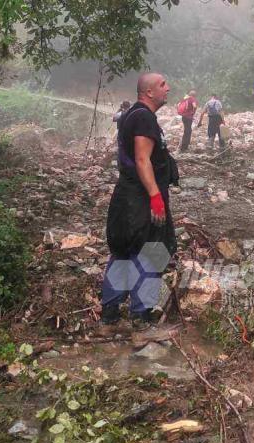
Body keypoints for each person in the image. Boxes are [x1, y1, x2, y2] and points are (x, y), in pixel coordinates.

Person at [100, 73, 178, 329]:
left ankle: (110, 314)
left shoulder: (133, 114)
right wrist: (156, 197)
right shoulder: (144, 117)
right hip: (142, 199)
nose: (168, 88)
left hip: (126, 197)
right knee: (152, 251)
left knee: (123, 250)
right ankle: (141, 317)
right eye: (162, 84)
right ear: (149, 93)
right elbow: (143, 160)